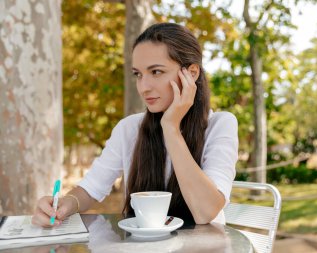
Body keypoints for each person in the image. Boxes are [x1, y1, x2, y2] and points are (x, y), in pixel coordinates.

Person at [32, 22, 238, 227]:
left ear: (191, 73)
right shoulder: (129, 128)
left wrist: (171, 128)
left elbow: (205, 212)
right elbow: (90, 189)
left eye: (156, 72)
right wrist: (64, 205)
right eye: (138, 74)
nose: (144, 87)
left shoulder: (220, 125)